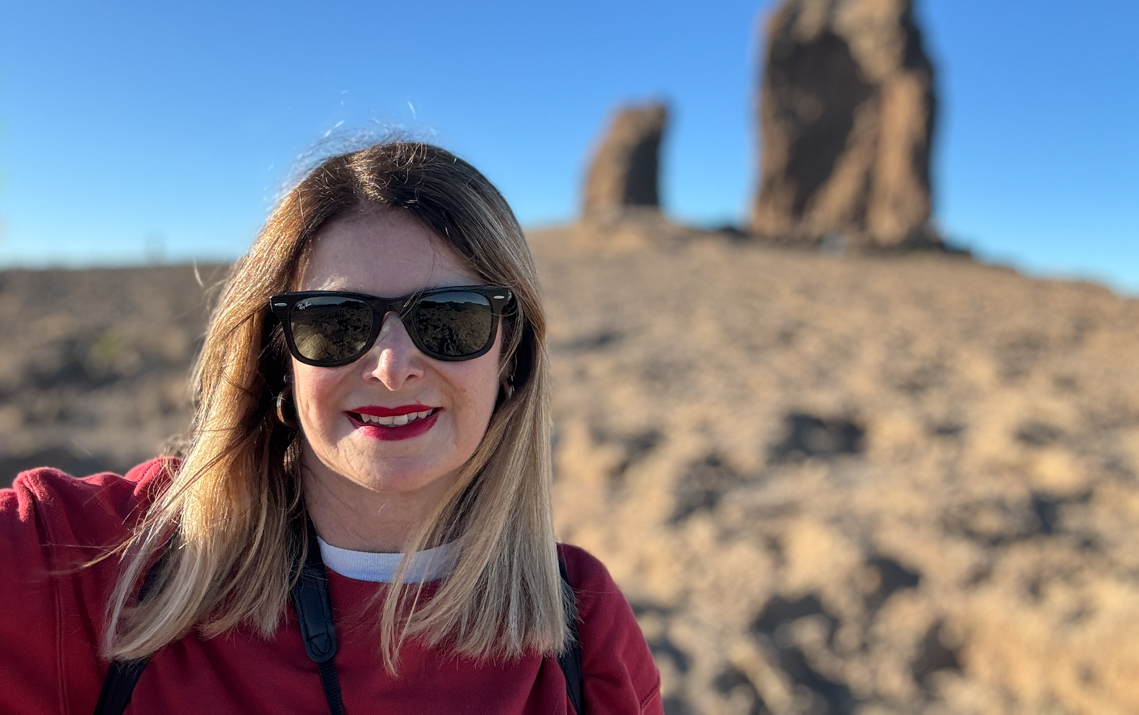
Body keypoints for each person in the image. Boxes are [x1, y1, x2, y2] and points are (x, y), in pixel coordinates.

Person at [0, 140, 663, 714]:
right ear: (275, 356)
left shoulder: (583, 628)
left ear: (510, 353)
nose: (393, 366)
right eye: (336, 322)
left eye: (450, 319)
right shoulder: (91, 566)